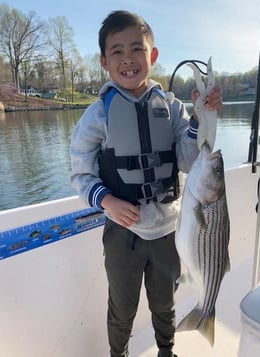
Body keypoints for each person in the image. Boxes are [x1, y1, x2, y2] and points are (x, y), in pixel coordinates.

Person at [70, 10, 222, 357]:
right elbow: (80, 172)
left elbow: (187, 159)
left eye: (137, 49)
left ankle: (167, 350)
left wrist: (201, 118)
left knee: (164, 304)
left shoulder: (171, 107)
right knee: (122, 309)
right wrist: (106, 200)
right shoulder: (98, 114)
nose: (128, 59)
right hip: (124, 235)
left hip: (170, 229)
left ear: (152, 56)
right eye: (118, 51)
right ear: (105, 62)